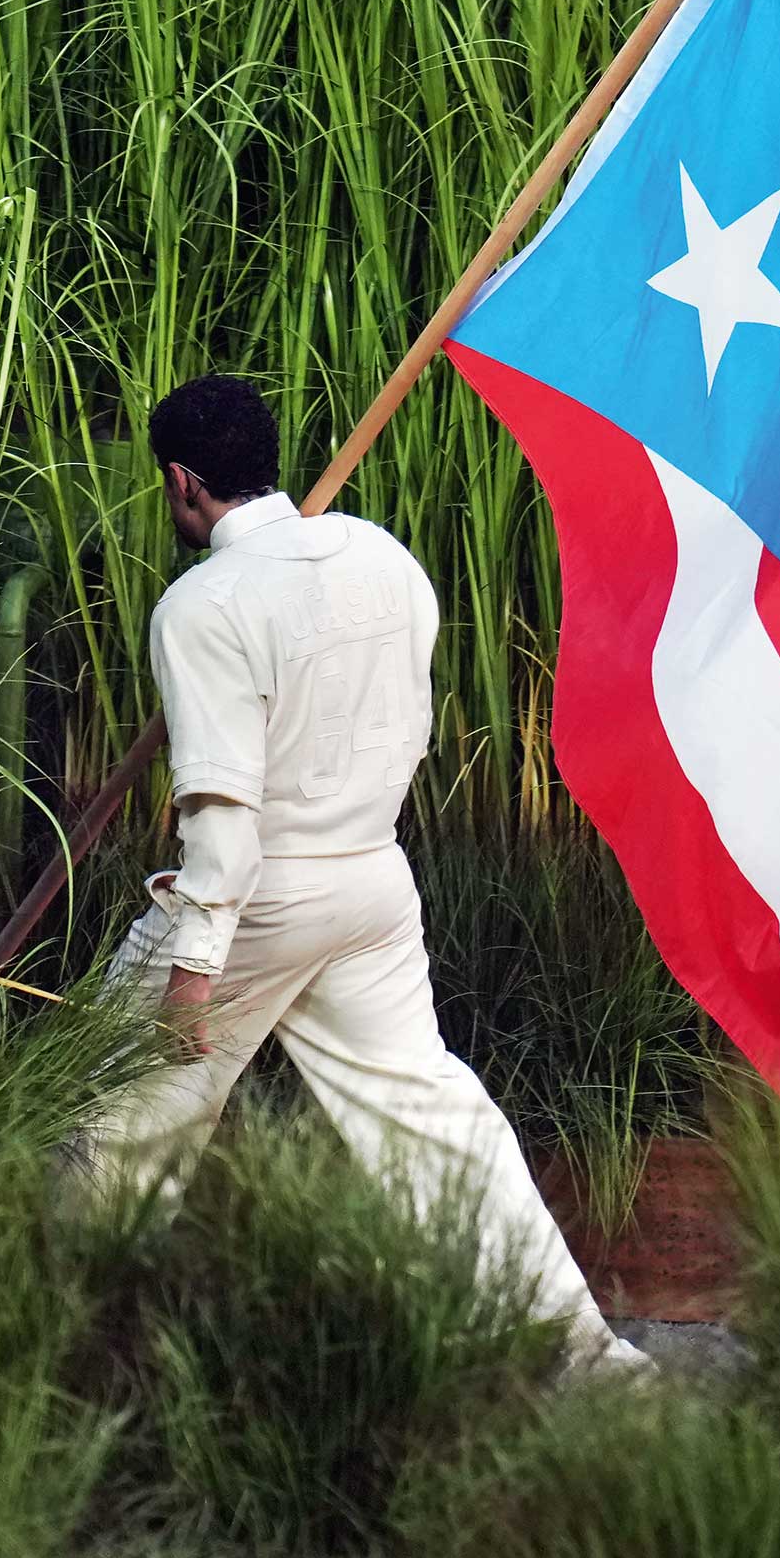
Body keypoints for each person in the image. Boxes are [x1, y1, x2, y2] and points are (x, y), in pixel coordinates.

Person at [68, 373, 654, 1384]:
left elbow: (223, 813)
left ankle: (60, 1349)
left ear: (181, 481)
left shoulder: (199, 606)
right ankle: (590, 1358)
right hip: (374, 885)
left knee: (110, 1113)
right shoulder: (387, 560)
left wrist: (194, 969)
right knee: (434, 1124)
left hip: (260, 899)